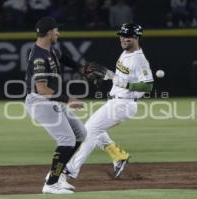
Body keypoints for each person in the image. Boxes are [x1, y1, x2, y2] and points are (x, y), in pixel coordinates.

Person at [25, 16, 130, 194]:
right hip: (40, 102)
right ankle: (50, 184)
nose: (58, 32)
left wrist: (83, 69)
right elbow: (41, 89)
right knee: (66, 140)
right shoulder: (39, 58)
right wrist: (68, 99)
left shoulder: (51, 50)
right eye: (56, 30)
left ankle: (57, 177)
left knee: (81, 133)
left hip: (50, 101)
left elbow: (65, 59)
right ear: (50, 32)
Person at [64, 23, 154, 186]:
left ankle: (71, 169)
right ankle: (119, 156)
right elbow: (119, 78)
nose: (123, 38)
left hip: (124, 103)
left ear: (136, 37)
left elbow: (148, 85)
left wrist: (124, 84)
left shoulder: (139, 59)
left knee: (89, 130)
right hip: (117, 101)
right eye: (122, 35)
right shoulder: (126, 53)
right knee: (95, 129)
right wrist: (106, 77)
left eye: (127, 36)